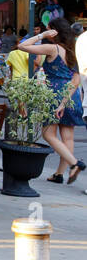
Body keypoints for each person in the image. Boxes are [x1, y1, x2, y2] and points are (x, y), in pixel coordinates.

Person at [19, 19, 85, 184]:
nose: (47, 32)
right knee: (67, 136)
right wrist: (65, 101)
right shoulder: (73, 50)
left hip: (53, 93)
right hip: (72, 95)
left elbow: (22, 46)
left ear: (55, 31)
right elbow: (76, 79)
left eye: (49, 29)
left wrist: (40, 35)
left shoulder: (52, 48)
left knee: (48, 134)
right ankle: (60, 174)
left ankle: (75, 164)